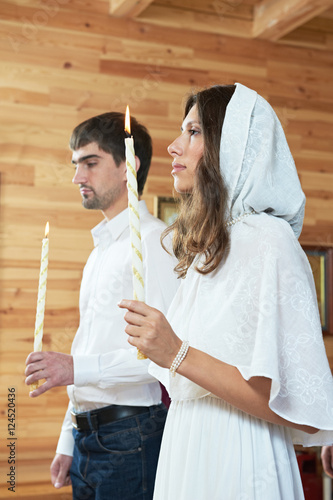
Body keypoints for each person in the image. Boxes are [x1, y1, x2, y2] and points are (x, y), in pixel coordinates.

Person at [119, 83, 333, 500]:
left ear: (232, 146)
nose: (173, 146)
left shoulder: (269, 240)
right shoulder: (209, 248)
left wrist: (176, 352)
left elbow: (297, 406)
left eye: (194, 132)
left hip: (239, 455)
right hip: (187, 445)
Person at [25, 112, 179, 500]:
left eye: (90, 163)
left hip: (132, 437)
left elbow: (166, 356)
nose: (78, 177)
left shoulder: (154, 243)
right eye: (76, 164)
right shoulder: (99, 253)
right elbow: (87, 346)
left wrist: (75, 369)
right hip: (86, 437)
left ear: (129, 166)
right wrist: (67, 439)